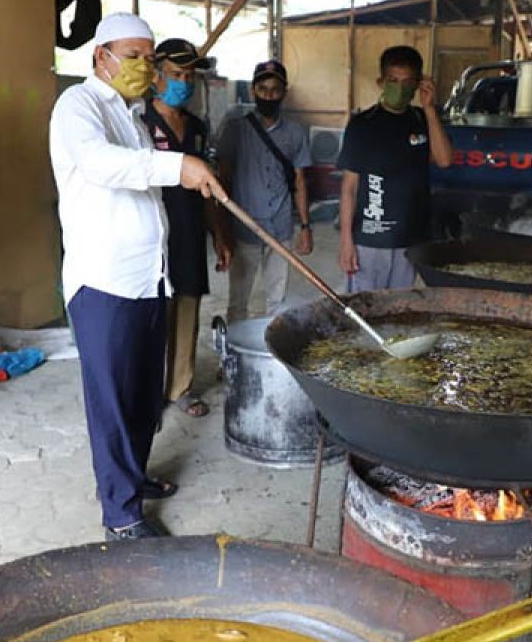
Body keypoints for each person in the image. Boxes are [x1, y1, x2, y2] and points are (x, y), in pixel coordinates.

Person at [49, 13, 225, 542]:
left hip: (148, 279)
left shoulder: (128, 113)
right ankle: (121, 516)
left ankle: (131, 477)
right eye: (133, 56)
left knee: (144, 396)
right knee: (113, 401)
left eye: (149, 57)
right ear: (99, 57)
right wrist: (179, 167)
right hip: (104, 284)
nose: (144, 67)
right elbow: (103, 165)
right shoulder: (77, 108)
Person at [142, 38, 233, 419]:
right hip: (150, 237)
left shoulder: (196, 127)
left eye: (189, 76)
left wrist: (220, 236)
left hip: (190, 232)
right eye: (176, 74)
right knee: (151, 313)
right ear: (156, 76)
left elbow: (208, 189)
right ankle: (148, 389)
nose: (183, 82)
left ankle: (180, 387)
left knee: (187, 311)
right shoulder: (140, 121)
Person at [337, 45, 452, 291]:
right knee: (365, 311)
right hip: (369, 239)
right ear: (381, 82)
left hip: (409, 239)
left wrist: (430, 109)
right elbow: (349, 187)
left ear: (419, 84)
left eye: (407, 81)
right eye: (393, 80)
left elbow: (444, 160)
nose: (399, 88)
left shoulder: (423, 120)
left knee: (398, 311)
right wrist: (346, 240)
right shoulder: (362, 125)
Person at [216, 59, 313, 322]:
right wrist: (221, 231)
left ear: (285, 93)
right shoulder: (235, 129)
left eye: (275, 90)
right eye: (263, 89)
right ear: (252, 91)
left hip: (280, 229)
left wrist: (305, 227)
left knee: (278, 302)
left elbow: (300, 181)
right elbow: (222, 180)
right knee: (238, 301)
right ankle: (235, 357)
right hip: (244, 228)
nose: (269, 95)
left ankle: (271, 359)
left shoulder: (295, 133)